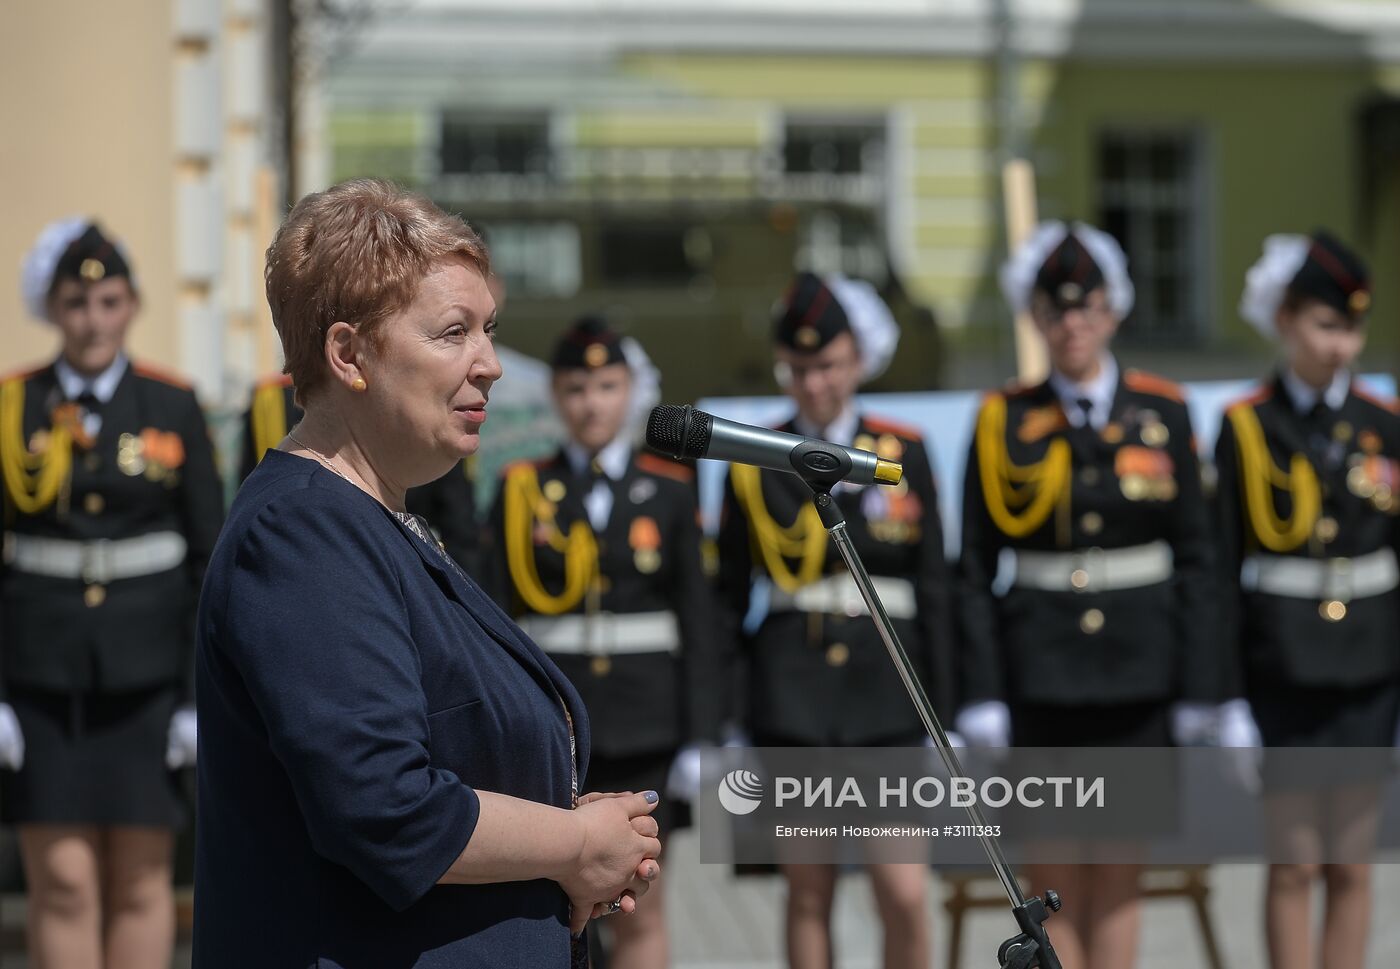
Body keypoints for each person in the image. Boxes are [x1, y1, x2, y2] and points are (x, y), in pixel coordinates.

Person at [194, 178, 661, 968]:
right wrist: (575, 841)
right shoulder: (301, 530)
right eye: (452, 332)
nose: (489, 364)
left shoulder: (375, 520)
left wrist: (578, 835)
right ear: (349, 354)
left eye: (489, 329)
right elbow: (386, 807)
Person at [954, 221, 1216, 969]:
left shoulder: (1163, 411)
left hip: (1140, 672)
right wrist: (982, 694)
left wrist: (1202, 688)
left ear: (1115, 311)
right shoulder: (1003, 418)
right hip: (1041, 676)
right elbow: (974, 566)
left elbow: (1199, 560)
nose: (1073, 323)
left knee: (1122, 877)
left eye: (1088, 306)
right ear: (1034, 318)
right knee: (1054, 883)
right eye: (1056, 308)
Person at [1, 218, 224, 968]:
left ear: (131, 306)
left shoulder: (172, 404)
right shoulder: (10, 407)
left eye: (109, 302)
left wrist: (197, 694)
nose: (92, 321)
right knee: (60, 878)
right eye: (75, 303)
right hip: (39, 677)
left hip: (148, 679)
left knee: (140, 875)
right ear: (52, 310)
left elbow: (207, 557)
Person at [716, 271, 951, 969]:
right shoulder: (756, 456)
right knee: (808, 887)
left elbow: (936, 582)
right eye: (799, 368)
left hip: (887, 689)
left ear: (856, 361)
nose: (814, 383)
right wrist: (729, 715)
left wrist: (953, 705)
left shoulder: (900, 451)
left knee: (904, 890)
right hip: (794, 690)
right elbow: (728, 595)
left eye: (828, 365)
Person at [488, 315, 725, 969]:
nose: (592, 402)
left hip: (649, 728)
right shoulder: (519, 490)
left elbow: (700, 619)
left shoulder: (672, 490)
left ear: (631, 391)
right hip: (556, 730)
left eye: (606, 385)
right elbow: (496, 617)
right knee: (554, 912)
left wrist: (702, 733)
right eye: (576, 387)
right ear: (556, 398)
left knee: (639, 911)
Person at [1215, 230, 1400, 969]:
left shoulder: (1385, 426)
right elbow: (1221, 570)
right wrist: (1225, 697)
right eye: (1326, 326)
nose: (1341, 346)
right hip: (1282, 668)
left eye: (1351, 328)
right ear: (1287, 320)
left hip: (1368, 670)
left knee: (1352, 866)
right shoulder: (1247, 426)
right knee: (1292, 865)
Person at [240, 372, 482, 575]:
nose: (492, 367)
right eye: (453, 333)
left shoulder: (437, 411)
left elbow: (460, 529)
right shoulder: (272, 401)